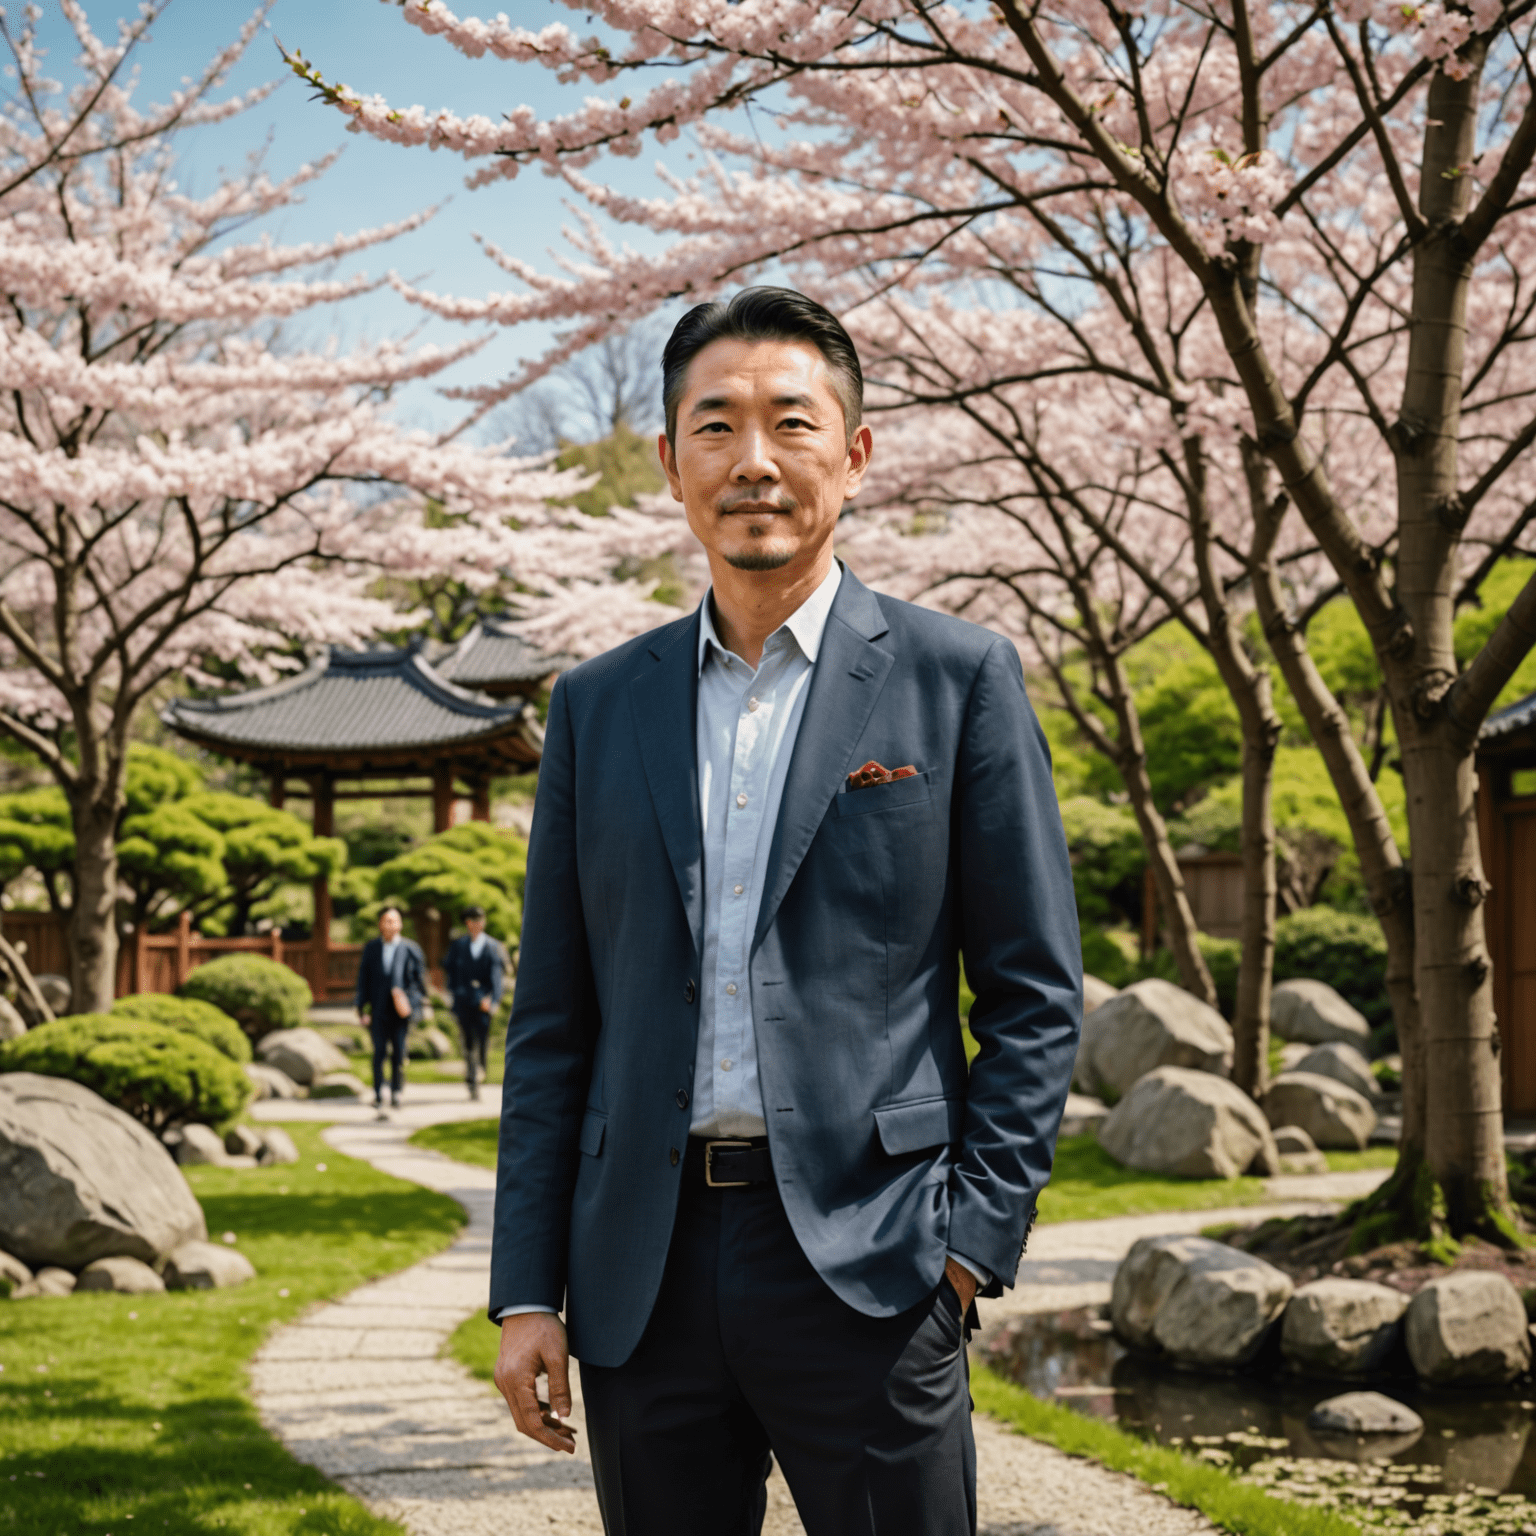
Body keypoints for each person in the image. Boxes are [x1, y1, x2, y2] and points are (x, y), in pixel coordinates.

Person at [489, 288, 1082, 1535]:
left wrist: (970, 1243)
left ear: (854, 457)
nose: (753, 462)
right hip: (639, 1274)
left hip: (875, 1260)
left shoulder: (957, 679)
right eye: (716, 427)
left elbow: (1033, 993)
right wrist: (524, 1290)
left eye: (791, 424)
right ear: (668, 463)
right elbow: (553, 1018)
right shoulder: (599, 706)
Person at [355, 905, 426, 1112]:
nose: (391, 924)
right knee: (378, 1052)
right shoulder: (372, 948)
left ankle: (396, 1091)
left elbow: (419, 982)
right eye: (387, 920)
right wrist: (361, 1009)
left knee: (398, 1051)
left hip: (400, 1011)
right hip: (378, 1009)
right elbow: (363, 980)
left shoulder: (411, 949)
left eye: (394, 920)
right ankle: (378, 1093)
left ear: (400, 924)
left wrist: (409, 1003)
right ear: (380, 924)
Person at [442, 904, 505, 1100]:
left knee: (483, 1039)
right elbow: (451, 974)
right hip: (463, 1001)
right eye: (472, 921)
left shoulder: (493, 946)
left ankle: (480, 1070)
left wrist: (493, 999)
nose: (476, 924)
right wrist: (452, 995)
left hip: (484, 1003)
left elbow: (497, 976)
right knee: (468, 1041)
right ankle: (471, 1078)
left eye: (479, 920)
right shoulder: (458, 946)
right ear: (467, 923)